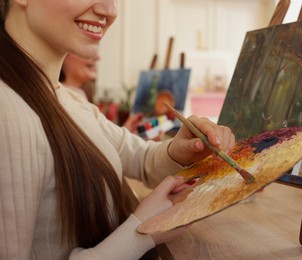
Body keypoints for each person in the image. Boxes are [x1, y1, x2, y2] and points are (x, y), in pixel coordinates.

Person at [0, 1, 235, 259]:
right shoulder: (7, 110)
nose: (110, 11)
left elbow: (137, 155)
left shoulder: (66, 99)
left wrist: (179, 151)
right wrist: (140, 233)